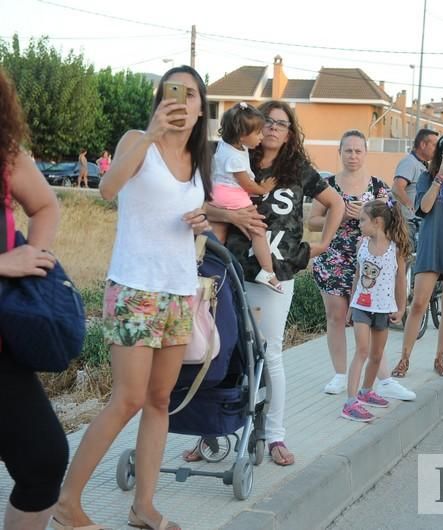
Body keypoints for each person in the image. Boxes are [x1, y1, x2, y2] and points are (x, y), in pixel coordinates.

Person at [54, 65, 213, 530]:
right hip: (134, 289)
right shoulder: (136, 140)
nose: (182, 102)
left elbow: (189, 214)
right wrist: (150, 132)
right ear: (161, 98)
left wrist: (203, 222)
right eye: (173, 93)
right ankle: (67, 503)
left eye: (191, 95)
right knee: (126, 399)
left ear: (203, 106)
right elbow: (107, 189)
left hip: (181, 290)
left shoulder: (201, 158)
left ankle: (143, 507)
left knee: (159, 400)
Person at [212, 100, 344, 467]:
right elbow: (205, 202)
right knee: (221, 348)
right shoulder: (237, 158)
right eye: (267, 121)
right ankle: (215, 434)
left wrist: (322, 246)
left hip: (276, 273)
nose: (272, 128)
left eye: (282, 124)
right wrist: (228, 216)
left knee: (270, 352)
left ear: (290, 133)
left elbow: (336, 204)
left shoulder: (297, 169)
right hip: (231, 265)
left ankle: (275, 435)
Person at [0, 67, 69, 530]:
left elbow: (46, 205)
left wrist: (35, 257)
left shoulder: (6, 154)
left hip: (3, 339)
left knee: (44, 458)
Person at [309, 130, 415, 401]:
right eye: (348, 150)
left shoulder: (379, 187)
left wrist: (366, 217)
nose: (353, 155)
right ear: (340, 152)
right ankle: (340, 374)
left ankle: (383, 378)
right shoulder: (327, 185)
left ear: (365, 153)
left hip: (371, 261)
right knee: (336, 316)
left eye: (358, 150)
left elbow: (392, 221)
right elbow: (313, 221)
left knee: (374, 319)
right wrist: (341, 214)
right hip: (335, 257)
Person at [390, 133, 443, 378]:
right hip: (432, 242)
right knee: (418, 303)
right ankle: (404, 359)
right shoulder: (427, 177)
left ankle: (440, 358)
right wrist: (439, 177)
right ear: (440, 155)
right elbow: (424, 208)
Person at [341, 200, 411, 421]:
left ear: (377, 222)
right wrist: (351, 306)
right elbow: (357, 276)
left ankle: (366, 391)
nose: (359, 224)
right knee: (362, 351)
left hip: (384, 309)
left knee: (377, 354)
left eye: (362, 220)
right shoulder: (362, 244)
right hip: (362, 306)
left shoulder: (395, 249)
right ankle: (350, 402)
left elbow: (400, 281)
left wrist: (401, 308)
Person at [209, 102, 282, 293]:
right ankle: (268, 271)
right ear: (242, 135)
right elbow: (246, 184)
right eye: (258, 133)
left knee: (219, 232)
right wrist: (262, 188)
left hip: (220, 193)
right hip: (231, 195)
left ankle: (211, 264)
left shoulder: (230, 145)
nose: (262, 136)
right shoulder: (233, 157)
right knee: (258, 229)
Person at [391, 128, 438, 247]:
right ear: (423, 144)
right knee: (407, 260)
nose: (436, 149)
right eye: (434, 145)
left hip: (417, 223)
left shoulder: (423, 165)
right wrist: (412, 207)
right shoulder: (409, 162)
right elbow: (397, 188)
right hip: (409, 223)